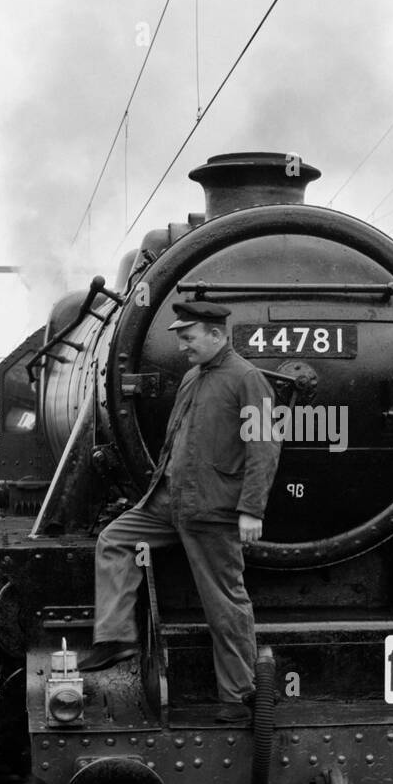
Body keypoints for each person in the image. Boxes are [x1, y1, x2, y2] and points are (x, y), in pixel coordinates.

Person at [79, 301, 282, 723]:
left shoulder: (249, 380)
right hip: (169, 502)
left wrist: (250, 510)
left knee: (224, 604)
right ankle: (117, 638)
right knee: (114, 539)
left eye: (189, 338)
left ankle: (239, 697)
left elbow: (264, 448)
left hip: (213, 509)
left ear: (216, 334)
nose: (183, 347)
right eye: (180, 339)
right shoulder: (193, 377)